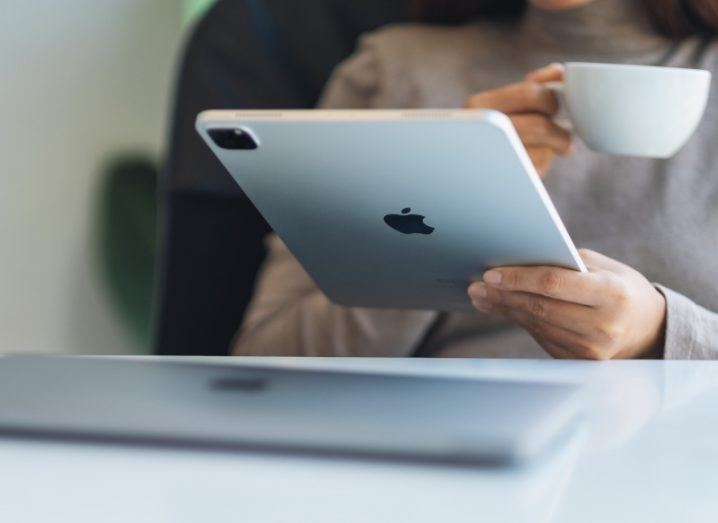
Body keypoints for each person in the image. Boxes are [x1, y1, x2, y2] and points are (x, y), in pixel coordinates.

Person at [232, 0, 718, 360]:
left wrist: (661, 334)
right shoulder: (394, 72)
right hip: (435, 466)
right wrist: (436, 200)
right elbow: (264, 356)